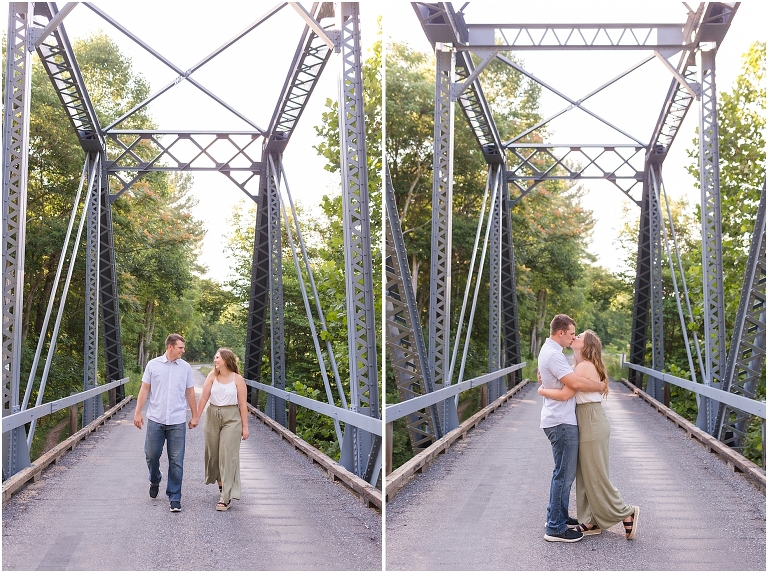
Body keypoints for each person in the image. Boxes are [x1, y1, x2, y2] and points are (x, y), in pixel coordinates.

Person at [538, 329, 640, 540]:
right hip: (584, 419)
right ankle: (591, 520)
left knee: (596, 474)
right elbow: (560, 379)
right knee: (584, 474)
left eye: (580, 336)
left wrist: (541, 389)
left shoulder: (584, 367)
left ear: (587, 345)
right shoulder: (576, 367)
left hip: (592, 419)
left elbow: (567, 390)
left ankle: (626, 511)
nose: (575, 337)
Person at [538, 314, 607, 543]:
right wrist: (599, 385)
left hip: (559, 419)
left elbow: (562, 380)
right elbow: (573, 387)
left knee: (562, 473)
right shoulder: (554, 356)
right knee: (563, 476)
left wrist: (543, 386)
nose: (572, 337)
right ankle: (555, 528)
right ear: (560, 333)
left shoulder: (551, 353)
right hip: (561, 421)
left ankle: (557, 517)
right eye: (570, 333)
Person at [134, 333, 199, 512]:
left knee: (176, 460)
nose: (183, 351)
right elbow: (144, 389)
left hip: (177, 420)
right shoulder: (153, 365)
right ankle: (155, 479)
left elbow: (190, 392)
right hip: (156, 418)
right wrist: (138, 412)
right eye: (180, 348)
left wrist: (195, 415)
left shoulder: (185, 368)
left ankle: (175, 496)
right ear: (170, 347)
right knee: (151, 455)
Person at [195, 348, 250, 511]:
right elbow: (204, 397)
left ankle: (226, 497)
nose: (215, 360)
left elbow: (242, 404)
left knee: (227, 454)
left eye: (217, 357)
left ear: (226, 360)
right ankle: (221, 482)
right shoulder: (212, 376)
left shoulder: (238, 379)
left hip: (232, 418)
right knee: (213, 454)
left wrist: (245, 427)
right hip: (212, 415)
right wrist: (196, 417)